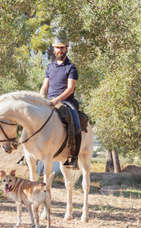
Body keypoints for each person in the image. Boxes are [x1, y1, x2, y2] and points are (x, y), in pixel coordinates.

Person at [40, 35, 81, 169]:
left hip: (66, 102)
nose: (60, 50)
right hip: (49, 101)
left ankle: (73, 156)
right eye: (58, 47)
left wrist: (56, 100)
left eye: (62, 48)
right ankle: (28, 152)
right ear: (53, 49)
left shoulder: (71, 68)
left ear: (67, 49)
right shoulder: (50, 67)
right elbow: (45, 86)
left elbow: (70, 89)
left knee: (76, 123)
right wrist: (41, 99)